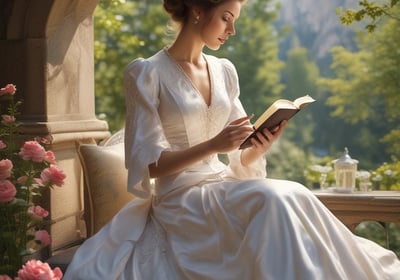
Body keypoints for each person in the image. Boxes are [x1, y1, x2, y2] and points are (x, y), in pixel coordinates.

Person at [64, 0, 400, 279]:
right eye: (226, 18)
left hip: (221, 184)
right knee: (273, 200)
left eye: (234, 20)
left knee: (292, 191)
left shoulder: (224, 70)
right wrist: (213, 146)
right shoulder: (146, 73)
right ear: (198, 10)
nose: (232, 30)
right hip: (180, 198)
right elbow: (148, 165)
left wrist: (258, 147)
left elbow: (239, 157)